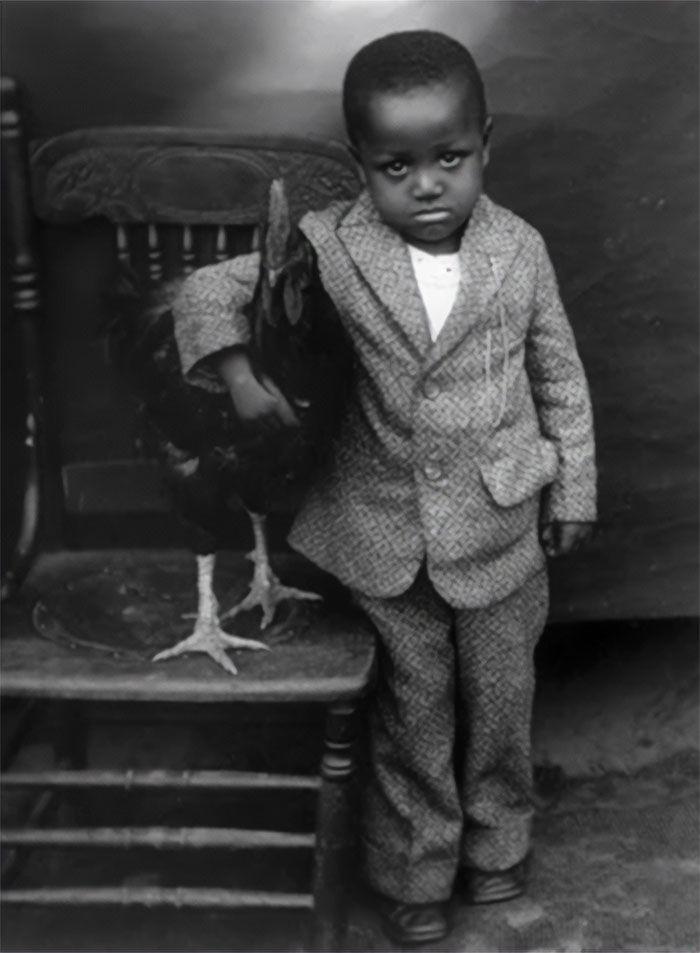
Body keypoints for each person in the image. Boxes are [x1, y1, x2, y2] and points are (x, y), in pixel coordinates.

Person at [173, 30, 597, 945]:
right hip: (383, 531)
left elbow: (559, 376)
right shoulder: (329, 244)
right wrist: (243, 374)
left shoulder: (519, 251)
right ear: (359, 163)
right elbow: (204, 292)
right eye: (394, 166)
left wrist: (573, 494)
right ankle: (412, 871)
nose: (427, 185)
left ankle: (498, 844)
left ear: (486, 143)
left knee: (500, 704)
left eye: (449, 158)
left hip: (499, 527)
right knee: (412, 711)